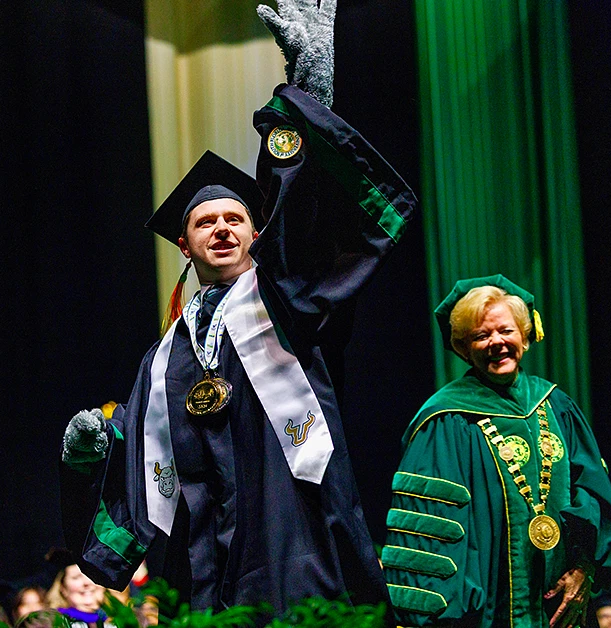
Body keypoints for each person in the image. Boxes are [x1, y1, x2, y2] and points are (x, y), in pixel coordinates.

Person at [58, 0, 416, 615]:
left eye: (236, 219)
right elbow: (142, 462)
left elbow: (305, 218)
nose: (222, 229)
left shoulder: (287, 299)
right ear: (185, 242)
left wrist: (310, 96)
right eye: (205, 222)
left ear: (255, 234)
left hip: (296, 547)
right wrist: (89, 453)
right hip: (202, 567)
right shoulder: (164, 355)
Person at [383, 275, 611, 627]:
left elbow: (592, 491)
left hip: (558, 605)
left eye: (506, 330)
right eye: (481, 335)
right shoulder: (445, 420)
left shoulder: (556, 406)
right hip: (486, 609)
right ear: (463, 347)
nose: (497, 343)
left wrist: (584, 568)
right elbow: (429, 531)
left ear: (524, 333)